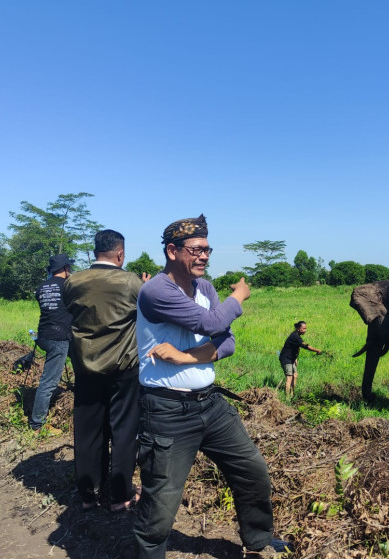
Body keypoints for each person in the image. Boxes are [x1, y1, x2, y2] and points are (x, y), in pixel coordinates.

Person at [132, 214, 288, 559]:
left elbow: (227, 342)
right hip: (166, 410)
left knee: (252, 472)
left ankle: (259, 540)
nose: (204, 256)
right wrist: (240, 296)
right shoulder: (156, 290)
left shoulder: (204, 288)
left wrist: (186, 358)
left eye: (207, 249)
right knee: (160, 504)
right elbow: (214, 322)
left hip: (211, 405)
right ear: (172, 251)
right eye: (196, 249)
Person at [63, 230, 149, 512]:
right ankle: (120, 496)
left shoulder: (73, 281)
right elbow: (146, 312)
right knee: (124, 431)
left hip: (85, 367)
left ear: (95, 251)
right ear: (120, 253)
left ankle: (89, 494)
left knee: (88, 430)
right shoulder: (131, 281)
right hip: (124, 368)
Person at [29, 254, 75, 435]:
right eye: (69, 267)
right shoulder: (68, 286)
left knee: (79, 362)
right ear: (65, 269)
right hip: (59, 338)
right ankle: (37, 425)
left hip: (44, 335)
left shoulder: (42, 287)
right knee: (48, 382)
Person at [279, 321, 323, 397]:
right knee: (289, 377)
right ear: (298, 328)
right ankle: (287, 397)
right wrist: (317, 350)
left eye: (306, 328)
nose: (305, 330)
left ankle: (292, 394)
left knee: (295, 375)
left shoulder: (297, 336)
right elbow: (306, 346)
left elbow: (296, 347)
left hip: (291, 358)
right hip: (286, 358)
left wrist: (295, 358)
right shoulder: (295, 336)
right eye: (303, 328)